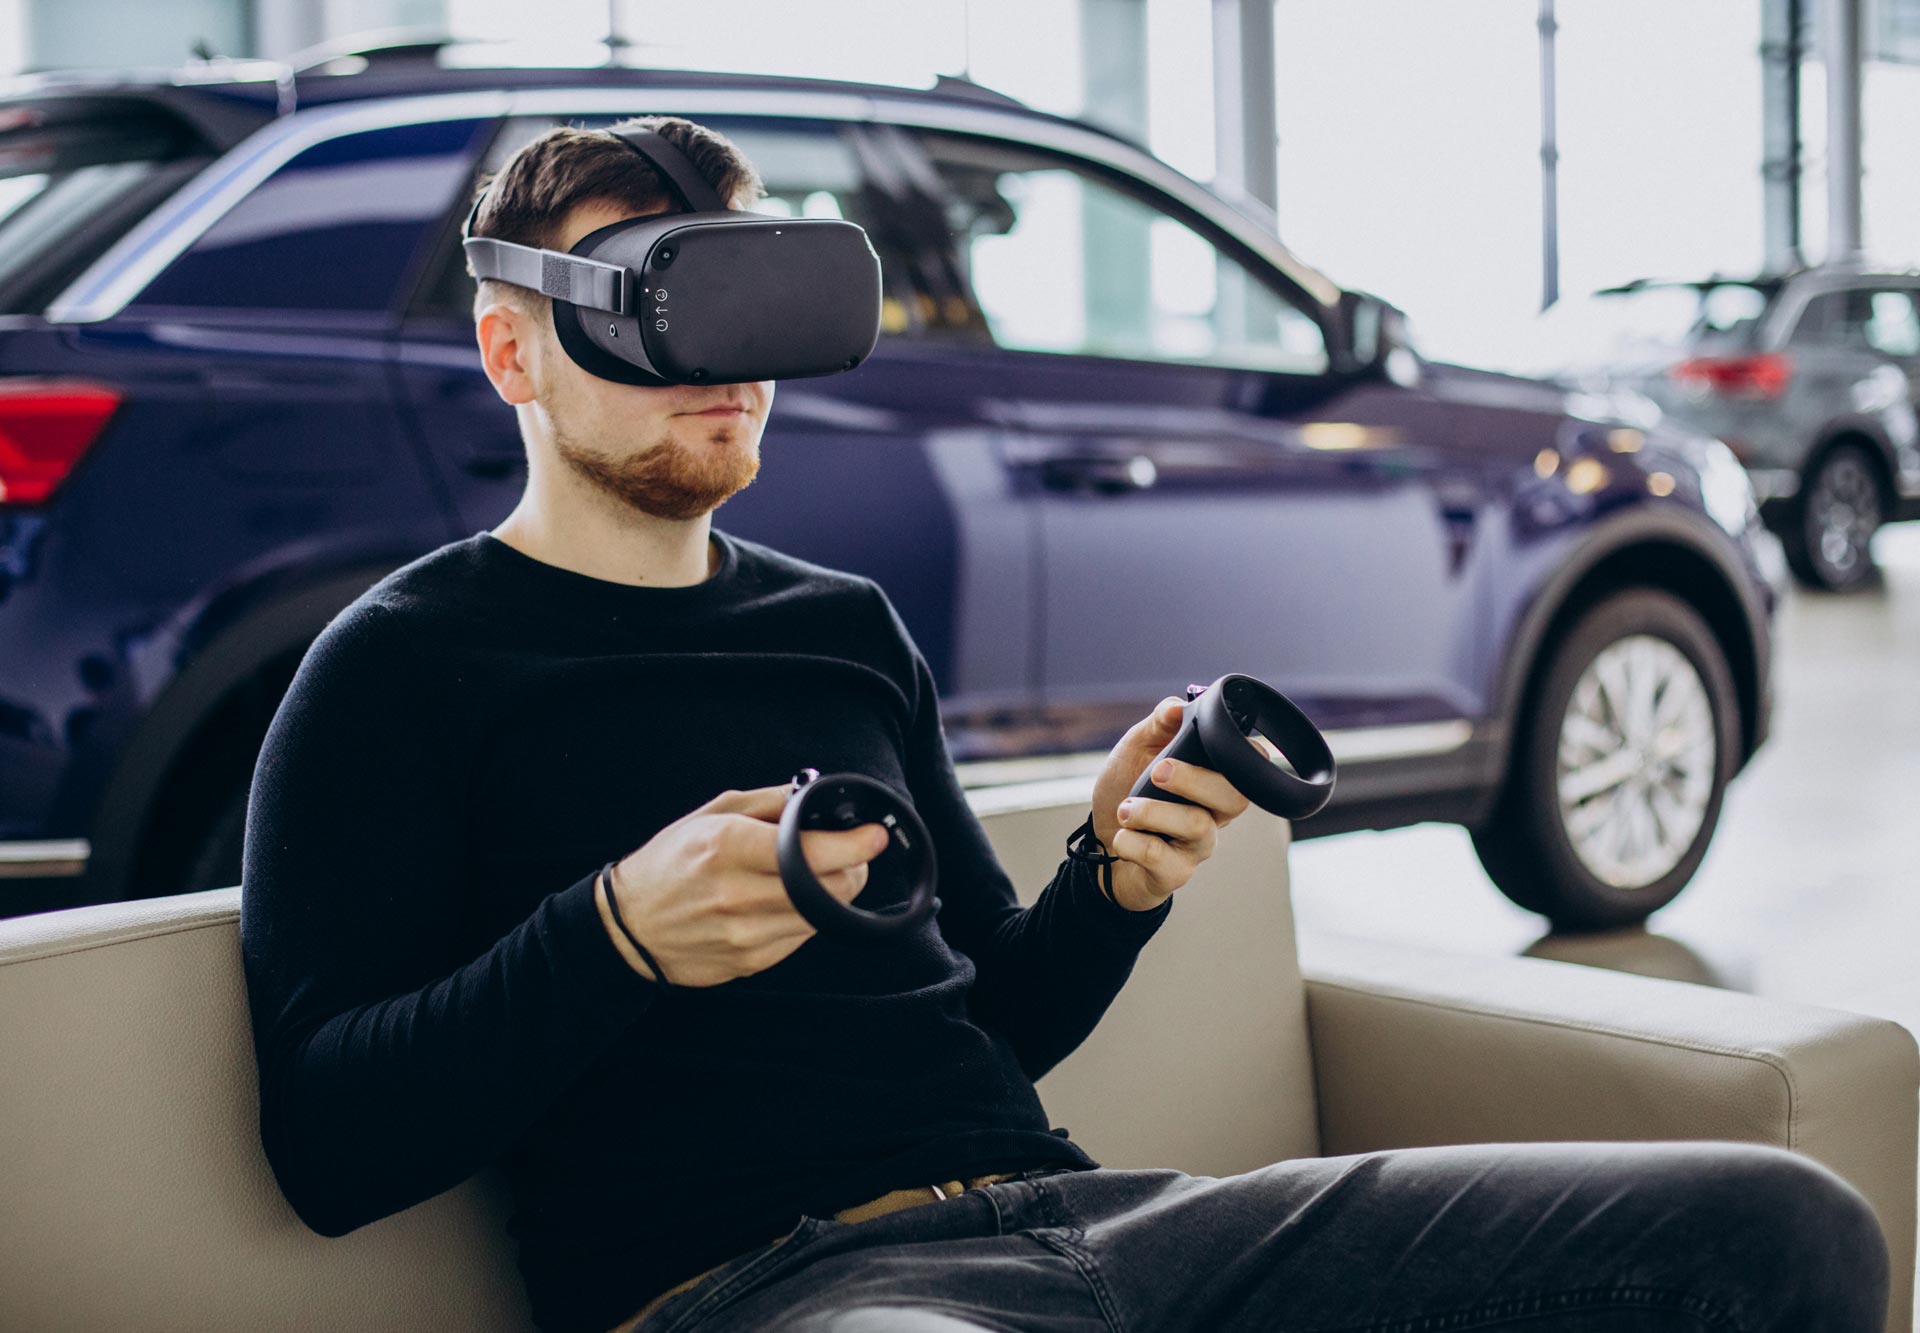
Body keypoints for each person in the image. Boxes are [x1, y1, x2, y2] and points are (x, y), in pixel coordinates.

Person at [238, 116, 1890, 1333]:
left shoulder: (838, 628)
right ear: (509, 345)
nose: (725, 361)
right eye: (660, 302)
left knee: (1783, 1229)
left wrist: (1115, 880)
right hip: (772, 1290)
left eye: (760, 300)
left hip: (1110, 1221)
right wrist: (613, 935)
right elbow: (328, 1144)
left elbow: (987, 1021)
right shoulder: (399, 668)